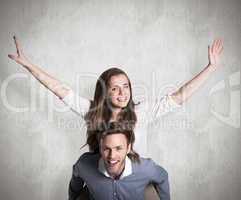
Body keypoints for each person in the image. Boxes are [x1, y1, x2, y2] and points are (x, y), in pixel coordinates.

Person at [8, 36, 224, 156]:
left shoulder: (141, 112)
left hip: (136, 181)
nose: (123, 93)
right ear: (104, 92)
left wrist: (211, 69)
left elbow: (179, 96)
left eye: (126, 86)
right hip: (102, 180)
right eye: (115, 88)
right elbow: (58, 88)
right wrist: (28, 65)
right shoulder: (91, 111)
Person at [68, 122, 170, 200]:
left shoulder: (145, 168)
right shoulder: (84, 165)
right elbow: (76, 176)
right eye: (106, 148)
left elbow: (163, 176)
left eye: (118, 148)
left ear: (128, 148)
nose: (112, 156)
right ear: (100, 147)